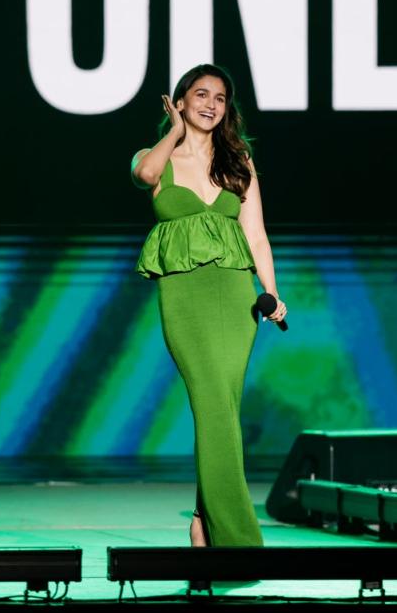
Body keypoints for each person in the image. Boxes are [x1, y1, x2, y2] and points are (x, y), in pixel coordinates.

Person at [132, 64, 287, 547]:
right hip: (186, 296)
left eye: (220, 98)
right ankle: (236, 537)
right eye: (200, 95)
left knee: (223, 407)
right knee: (212, 402)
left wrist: (272, 293)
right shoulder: (157, 156)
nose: (210, 104)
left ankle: (205, 522)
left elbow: (256, 235)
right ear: (179, 102)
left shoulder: (238, 160)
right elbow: (145, 175)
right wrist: (174, 132)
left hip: (238, 296)